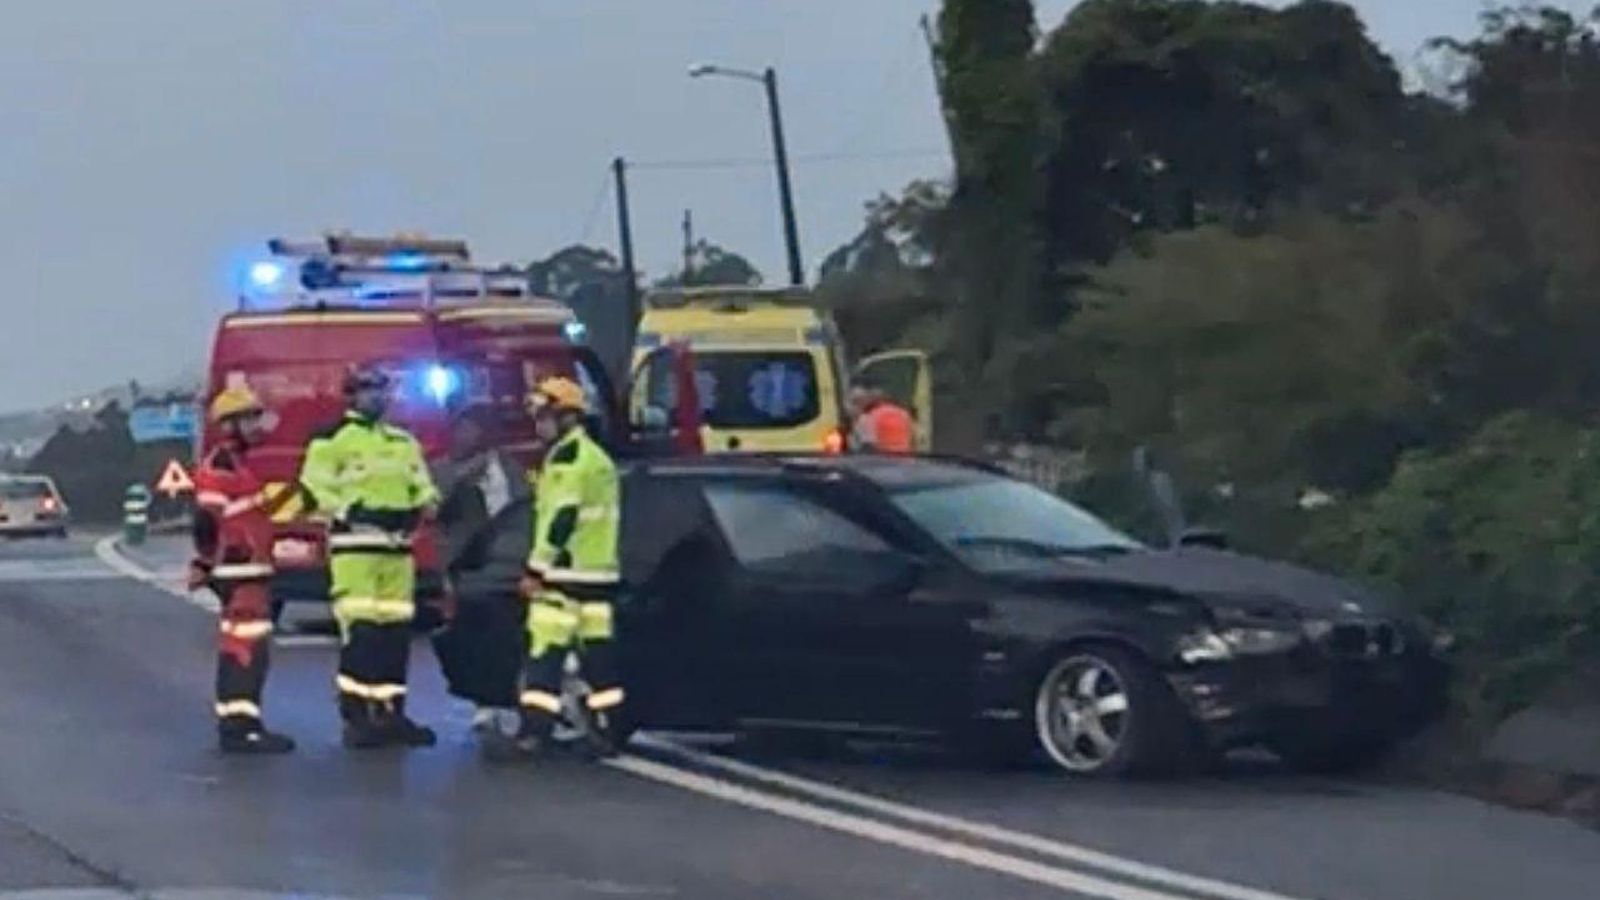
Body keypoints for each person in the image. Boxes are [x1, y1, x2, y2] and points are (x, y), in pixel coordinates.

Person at [299, 364, 440, 749]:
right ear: (351, 395)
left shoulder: (402, 442)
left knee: (394, 638)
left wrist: (424, 507)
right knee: (362, 637)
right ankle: (358, 717)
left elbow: (424, 487)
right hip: (356, 552)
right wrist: (353, 511)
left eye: (382, 390)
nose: (377, 397)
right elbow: (314, 489)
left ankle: (392, 713)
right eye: (368, 390)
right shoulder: (331, 440)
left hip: (397, 552)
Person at [510, 376, 623, 757]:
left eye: (546, 416)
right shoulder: (597, 458)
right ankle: (607, 731)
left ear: (569, 417)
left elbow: (561, 519)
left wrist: (535, 570)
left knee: (544, 655)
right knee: (599, 659)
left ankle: (534, 733)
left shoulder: (568, 461)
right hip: (598, 576)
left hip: (564, 577)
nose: (539, 425)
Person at [190, 385, 296, 755]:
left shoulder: (237, 464)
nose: (256, 426)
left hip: (249, 571)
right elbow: (207, 519)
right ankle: (240, 727)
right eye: (249, 418)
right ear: (229, 424)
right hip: (239, 573)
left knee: (251, 648)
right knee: (244, 650)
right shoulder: (221, 466)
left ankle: (243, 723)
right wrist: (207, 561)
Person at [848, 377, 915, 454]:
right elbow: (912, 442)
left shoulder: (866, 419)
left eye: (855, 402)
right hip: (904, 462)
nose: (850, 408)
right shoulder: (903, 414)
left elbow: (865, 449)